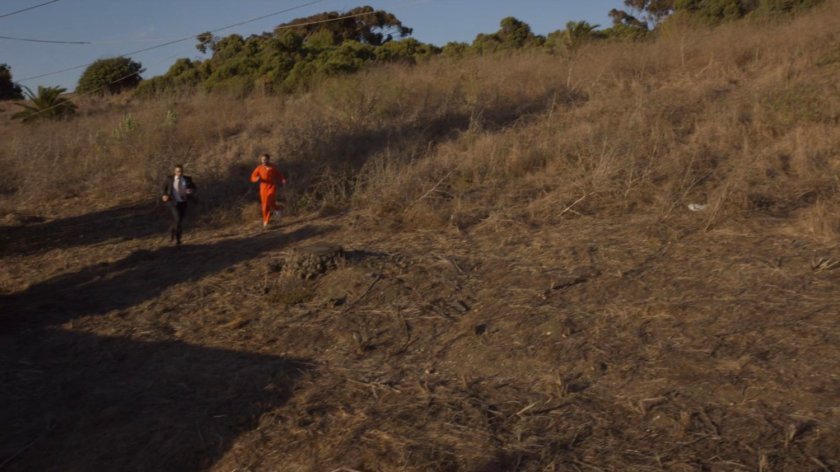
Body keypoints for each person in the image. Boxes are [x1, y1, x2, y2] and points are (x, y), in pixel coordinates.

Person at [161, 164, 196, 245]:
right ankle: (178, 239)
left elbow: (194, 187)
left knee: (179, 221)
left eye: (181, 171)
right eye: (177, 171)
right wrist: (164, 195)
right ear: (174, 171)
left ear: (183, 171)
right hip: (172, 202)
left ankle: (171, 230)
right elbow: (163, 188)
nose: (179, 173)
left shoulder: (187, 179)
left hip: (183, 202)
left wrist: (191, 190)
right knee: (178, 218)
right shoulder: (169, 179)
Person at [250, 153, 286, 227]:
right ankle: (277, 210)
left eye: (265, 159)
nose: (264, 161)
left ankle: (267, 220)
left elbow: (279, 174)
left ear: (268, 159)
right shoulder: (259, 168)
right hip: (263, 188)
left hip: (272, 186)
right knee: (267, 204)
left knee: (268, 200)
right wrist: (256, 179)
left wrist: (282, 179)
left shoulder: (273, 167)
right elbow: (253, 176)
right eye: (262, 160)